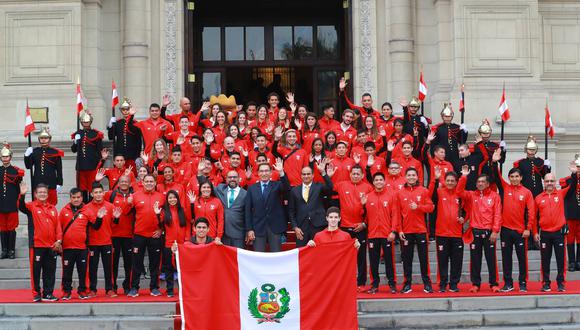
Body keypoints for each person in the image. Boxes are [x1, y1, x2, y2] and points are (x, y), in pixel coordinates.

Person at [458, 167, 502, 293]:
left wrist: (495, 231)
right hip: (475, 232)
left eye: (483, 182)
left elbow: (497, 214)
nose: (480, 184)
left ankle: (493, 284)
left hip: (489, 233)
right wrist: (464, 176)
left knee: (491, 260)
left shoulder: (494, 196)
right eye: (478, 182)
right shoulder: (471, 195)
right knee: (475, 260)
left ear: (488, 184)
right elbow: (459, 191)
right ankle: (475, 284)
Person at [493, 163, 535, 292]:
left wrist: (528, 228)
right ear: (509, 178)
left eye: (517, 176)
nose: (514, 179)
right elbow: (497, 176)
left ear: (521, 177)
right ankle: (508, 283)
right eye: (512, 176)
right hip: (505, 230)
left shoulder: (527, 192)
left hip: (520, 231)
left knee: (522, 258)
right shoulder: (505, 188)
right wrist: (495, 163)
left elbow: (531, 212)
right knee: (506, 258)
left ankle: (522, 283)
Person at [18, 183, 61, 302]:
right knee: (36, 271)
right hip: (37, 245)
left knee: (50, 271)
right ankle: (36, 293)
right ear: (36, 194)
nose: (42, 194)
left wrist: (58, 240)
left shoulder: (53, 208)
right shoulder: (31, 207)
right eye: (40, 192)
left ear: (47, 194)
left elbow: (58, 226)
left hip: (51, 246)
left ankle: (48, 294)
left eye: (45, 192)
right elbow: (21, 207)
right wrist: (22, 195)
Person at [395, 168, 435, 294]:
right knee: (407, 259)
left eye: (413, 175)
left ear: (417, 177)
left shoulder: (423, 191)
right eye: (409, 175)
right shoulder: (400, 193)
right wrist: (399, 230)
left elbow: (431, 208)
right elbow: (396, 213)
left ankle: (427, 284)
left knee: (423, 259)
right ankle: (407, 284)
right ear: (405, 177)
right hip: (406, 231)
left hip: (420, 230)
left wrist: (418, 207)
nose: (411, 177)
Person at [333, 165, 373, 291]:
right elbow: (329, 188)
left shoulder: (368, 187)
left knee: (361, 257)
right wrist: (324, 174)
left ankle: (361, 283)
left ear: (362, 175)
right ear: (350, 174)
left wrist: (364, 224)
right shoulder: (342, 185)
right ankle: (345, 282)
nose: (355, 175)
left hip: (360, 227)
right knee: (344, 258)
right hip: (345, 227)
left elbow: (372, 209)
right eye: (353, 173)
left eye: (358, 174)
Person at [128, 174, 165, 297]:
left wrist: (161, 229)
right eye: (147, 181)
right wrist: (127, 203)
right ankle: (134, 287)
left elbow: (165, 216)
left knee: (154, 263)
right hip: (139, 235)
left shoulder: (161, 197)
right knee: (136, 262)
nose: (149, 183)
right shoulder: (135, 196)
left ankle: (154, 287)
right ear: (142, 183)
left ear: (155, 183)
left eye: (151, 181)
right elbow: (126, 213)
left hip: (155, 235)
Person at [361, 172, 398, 294]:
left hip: (387, 234)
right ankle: (374, 285)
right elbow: (363, 216)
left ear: (384, 181)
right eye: (376, 180)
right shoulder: (368, 197)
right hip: (372, 234)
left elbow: (395, 215)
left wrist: (393, 231)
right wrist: (362, 205)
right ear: (373, 182)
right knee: (373, 261)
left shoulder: (391, 196)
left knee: (388, 260)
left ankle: (392, 284)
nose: (378, 182)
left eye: (380, 180)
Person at [535, 172, 571, 292]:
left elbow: (573, 184)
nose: (549, 183)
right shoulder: (538, 198)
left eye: (551, 181)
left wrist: (574, 172)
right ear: (543, 183)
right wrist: (535, 232)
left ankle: (561, 282)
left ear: (555, 182)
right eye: (547, 181)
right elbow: (534, 218)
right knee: (545, 260)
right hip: (544, 233)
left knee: (561, 259)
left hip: (558, 233)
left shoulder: (561, 193)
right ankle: (546, 283)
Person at [430, 169, 465, 293]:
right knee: (443, 260)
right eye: (448, 180)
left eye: (452, 181)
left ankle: (454, 284)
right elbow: (431, 196)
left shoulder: (460, 194)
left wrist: (463, 218)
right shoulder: (439, 192)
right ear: (444, 181)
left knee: (457, 261)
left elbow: (466, 209)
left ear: (456, 182)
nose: (450, 182)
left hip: (456, 234)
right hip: (442, 233)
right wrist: (435, 179)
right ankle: (443, 284)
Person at [245, 159, 289, 252]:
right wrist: (249, 229)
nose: (264, 173)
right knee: (259, 257)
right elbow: (247, 210)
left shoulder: (277, 185)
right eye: (261, 171)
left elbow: (287, 188)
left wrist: (281, 172)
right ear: (258, 173)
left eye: (266, 171)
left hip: (275, 227)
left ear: (270, 173)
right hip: (258, 228)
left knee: (276, 256)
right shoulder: (251, 188)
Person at [288, 162, 335, 247]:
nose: (306, 176)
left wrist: (323, 173)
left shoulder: (319, 187)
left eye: (308, 174)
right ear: (301, 176)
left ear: (313, 175)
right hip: (301, 228)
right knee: (302, 254)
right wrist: (295, 227)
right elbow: (291, 211)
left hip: (318, 226)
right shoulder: (294, 190)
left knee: (319, 253)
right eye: (304, 174)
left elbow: (330, 187)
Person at [155, 190, 191, 297]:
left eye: (174, 197)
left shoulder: (183, 210)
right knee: (169, 268)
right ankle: (170, 290)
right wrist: (157, 214)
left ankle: (184, 290)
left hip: (182, 244)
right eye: (170, 198)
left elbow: (188, 225)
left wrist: (187, 240)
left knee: (183, 268)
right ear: (167, 200)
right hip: (169, 244)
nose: (172, 200)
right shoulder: (164, 212)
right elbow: (159, 224)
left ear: (178, 199)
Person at [84, 183, 117, 298]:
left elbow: (114, 224)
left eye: (100, 192)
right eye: (96, 192)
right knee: (93, 268)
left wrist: (117, 218)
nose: (98, 194)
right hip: (93, 243)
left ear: (104, 193)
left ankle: (109, 289)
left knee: (108, 267)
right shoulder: (87, 207)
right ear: (92, 194)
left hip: (107, 241)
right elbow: (92, 226)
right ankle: (93, 289)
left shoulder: (110, 206)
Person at [104, 175, 134, 295]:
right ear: (118, 183)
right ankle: (113, 286)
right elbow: (96, 197)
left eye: (126, 181)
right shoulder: (110, 195)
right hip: (114, 235)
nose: (124, 183)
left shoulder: (134, 196)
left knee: (129, 263)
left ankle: (127, 285)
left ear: (130, 183)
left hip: (129, 235)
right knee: (113, 263)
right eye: (122, 181)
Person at [59, 188, 90, 300]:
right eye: (74, 197)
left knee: (82, 272)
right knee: (67, 272)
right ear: (70, 198)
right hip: (67, 248)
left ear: (82, 198)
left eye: (78, 197)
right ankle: (67, 291)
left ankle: (82, 290)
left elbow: (94, 226)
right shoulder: (64, 211)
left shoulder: (87, 210)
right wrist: (59, 242)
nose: (76, 199)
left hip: (82, 247)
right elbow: (59, 228)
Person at [24, 127, 63, 205]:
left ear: (49, 139)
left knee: (51, 205)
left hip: (51, 183)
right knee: (38, 205)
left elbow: (59, 169)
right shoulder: (35, 151)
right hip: (38, 183)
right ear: (39, 140)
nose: (44, 140)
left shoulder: (55, 152)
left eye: (46, 138)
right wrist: (26, 155)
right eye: (41, 138)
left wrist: (59, 183)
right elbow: (28, 166)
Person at [71, 111, 104, 202]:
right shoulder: (78, 134)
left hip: (92, 165)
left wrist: (100, 165)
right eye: (84, 122)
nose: (86, 123)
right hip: (81, 166)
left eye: (87, 122)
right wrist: (75, 142)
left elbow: (99, 151)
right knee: (82, 190)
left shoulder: (95, 134)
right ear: (81, 122)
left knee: (92, 188)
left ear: (90, 122)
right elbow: (73, 150)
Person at [0, 143, 24, 259]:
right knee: (2, 228)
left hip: (12, 203)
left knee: (11, 228)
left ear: (10, 157)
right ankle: (4, 250)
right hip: (1, 204)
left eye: (7, 156)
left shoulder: (16, 171)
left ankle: (11, 250)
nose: (5, 159)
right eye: (3, 157)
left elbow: (20, 187)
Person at [214, 170, 247, 248]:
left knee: (237, 258)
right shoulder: (220, 189)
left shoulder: (245, 194)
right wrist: (201, 172)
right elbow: (207, 186)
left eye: (235, 177)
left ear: (239, 179)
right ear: (226, 179)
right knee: (225, 258)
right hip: (223, 234)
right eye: (230, 177)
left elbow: (248, 214)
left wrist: (248, 231)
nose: (232, 179)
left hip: (239, 233)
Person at [108, 99, 142, 169]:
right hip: (120, 155)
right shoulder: (118, 123)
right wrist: (110, 126)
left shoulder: (135, 123)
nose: (126, 111)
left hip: (132, 155)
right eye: (123, 110)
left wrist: (137, 155)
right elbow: (111, 137)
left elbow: (139, 141)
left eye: (127, 109)